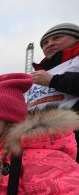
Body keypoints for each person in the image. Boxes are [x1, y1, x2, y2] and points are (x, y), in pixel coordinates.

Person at [26, 22, 79, 162]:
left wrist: (53, 81)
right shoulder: (42, 72)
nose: (49, 44)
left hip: (72, 145)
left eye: (57, 38)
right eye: (44, 43)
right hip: (41, 147)